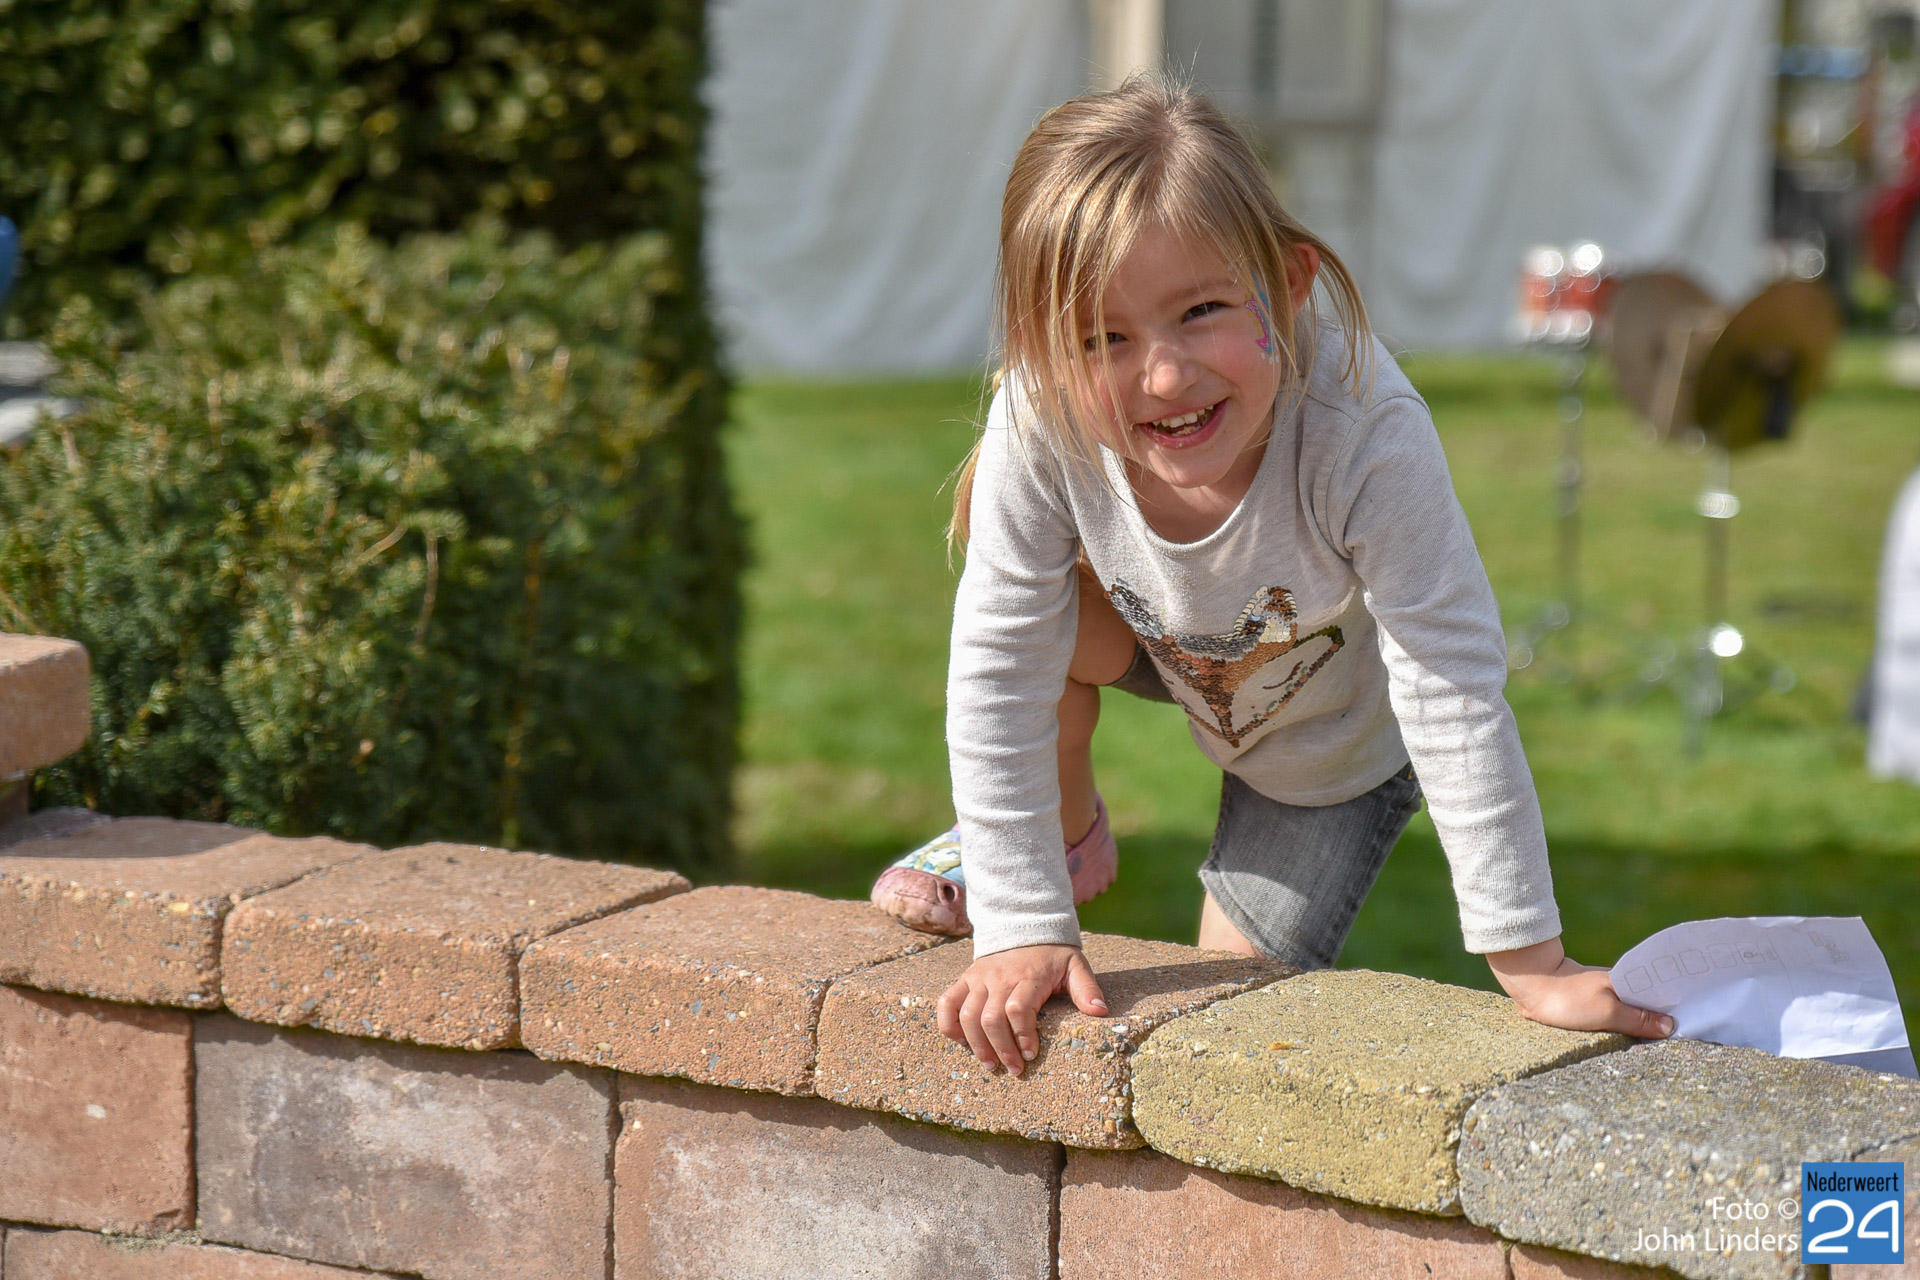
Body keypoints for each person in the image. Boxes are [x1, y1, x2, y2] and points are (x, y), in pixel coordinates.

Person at [870, 78, 1674, 1076]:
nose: (1164, 375)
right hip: (1161, 637)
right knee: (1039, 629)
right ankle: (1067, 837)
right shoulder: (1041, 415)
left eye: (1201, 311)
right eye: (1101, 338)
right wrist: (1020, 917)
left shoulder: (1364, 431)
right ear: (1042, 346)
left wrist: (1533, 963)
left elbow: (1452, 683)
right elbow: (999, 667)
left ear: (1288, 281)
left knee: (1222, 1026)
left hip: (1325, 745)